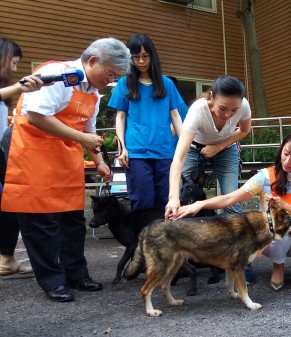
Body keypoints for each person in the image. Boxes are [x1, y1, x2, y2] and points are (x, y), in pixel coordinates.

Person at [1, 37, 131, 302]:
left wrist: (100, 163)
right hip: (33, 151)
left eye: (115, 77)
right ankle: (52, 280)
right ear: (93, 61)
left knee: (72, 220)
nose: (110, 80)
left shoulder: (92, 91)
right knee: (42, 220)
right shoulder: (58, 74)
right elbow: (36, 115)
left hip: (64, 155)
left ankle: (76, 274)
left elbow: (88, 130)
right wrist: (81, 139)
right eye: (110, 74)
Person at [168, 133, 291, 291]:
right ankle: (278, 266)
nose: (287, 161)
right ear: (281, 150)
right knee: (276, 229)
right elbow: (231, 198)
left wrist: (285, 206)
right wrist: (200, 204)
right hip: (274, 238)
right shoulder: (265, 176)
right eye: (286, 153)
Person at [166, 75, 253, 282]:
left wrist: (219, 146)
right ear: (212, 97)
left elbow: (244, 130)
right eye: (223, 108)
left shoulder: (243, 106)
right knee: (185, 200)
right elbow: (178, 158)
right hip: (196, 149)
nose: (228, 115)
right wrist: (173, 197)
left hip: (226, 147)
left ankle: (241, 263)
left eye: (234, 110)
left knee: (232, 202)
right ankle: (186, 262)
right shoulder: (198, 110)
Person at [108, 32, 184, 210]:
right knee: (143, 201)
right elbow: (120, 117)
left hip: (165, 152)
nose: (141, 61)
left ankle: (165, 238)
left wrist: (185, 146)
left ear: (152, 56)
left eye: (145, 56)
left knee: (166, 202)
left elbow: (176, 116)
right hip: (136, 154)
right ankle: (142, 238)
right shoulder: (124, 83)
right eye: (135, 57)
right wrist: (122, 148)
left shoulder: (167, 84)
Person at [0, 37, 44, 276]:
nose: (15, 69)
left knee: (10, 205)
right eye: (13, 63)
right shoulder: (10, 88)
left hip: (2, 153)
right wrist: (20, 87)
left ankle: (6, 260)